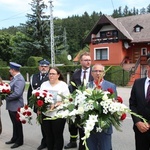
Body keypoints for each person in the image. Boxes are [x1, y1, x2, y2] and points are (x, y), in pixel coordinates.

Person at [64, 52, 93, 150]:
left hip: (89, 105)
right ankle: (73, 141)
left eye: (89, 60)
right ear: (81, 61)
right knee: (72, 124)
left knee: (84, 127)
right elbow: (72, 87)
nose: (88, 62)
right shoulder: (76, 73)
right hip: (76, 104)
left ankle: (85, 144)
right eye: (86, 60)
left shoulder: (95, 72)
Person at [86, 64, 117, 150]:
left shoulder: (111, 86)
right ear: (92, 73)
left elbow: (115, 104)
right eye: (95, 71)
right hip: (91, 126)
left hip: (105, 126)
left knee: (105, 148)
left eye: (100, 71)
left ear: (104, 73)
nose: (98, 73)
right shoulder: (87, 86)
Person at [40, 67, 70, 150]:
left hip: (58, 115)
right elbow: (39, 97)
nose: (51, 75)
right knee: (48, 135)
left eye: (53, 74)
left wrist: (60, 103)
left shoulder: (63, 85)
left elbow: (68, 99)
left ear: (58, 75)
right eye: (50, 74)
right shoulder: (44, 84)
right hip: (46, 114)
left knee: (57, 135)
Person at [27, 59, 50, 150]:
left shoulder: (51, 76)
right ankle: (44, 142)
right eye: (42, 66)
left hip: (49, 106)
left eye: (45, 66)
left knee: (50, 126)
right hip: (38, 106)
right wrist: (29, 105)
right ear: (39, 67)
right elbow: (30, 91)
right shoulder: (34, 77)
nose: (43, 68)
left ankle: (50, 142)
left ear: (48, 67)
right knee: (43, 125)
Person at [129, 58, 150, 150]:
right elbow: (132, 104)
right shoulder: (138, 83)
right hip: (140, 129)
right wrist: (137, 122)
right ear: (148, 67)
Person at [5, 62, 25, 149]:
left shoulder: (19, 79)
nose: (9, 71)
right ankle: (14, 138)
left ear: (13, 70)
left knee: (17, 124)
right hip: (12, 105)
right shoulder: (15, 78)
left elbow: (17, 93)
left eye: (10, 69)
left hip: (16, 105)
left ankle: (19, 140)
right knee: (14, 123)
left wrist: (6, 97)